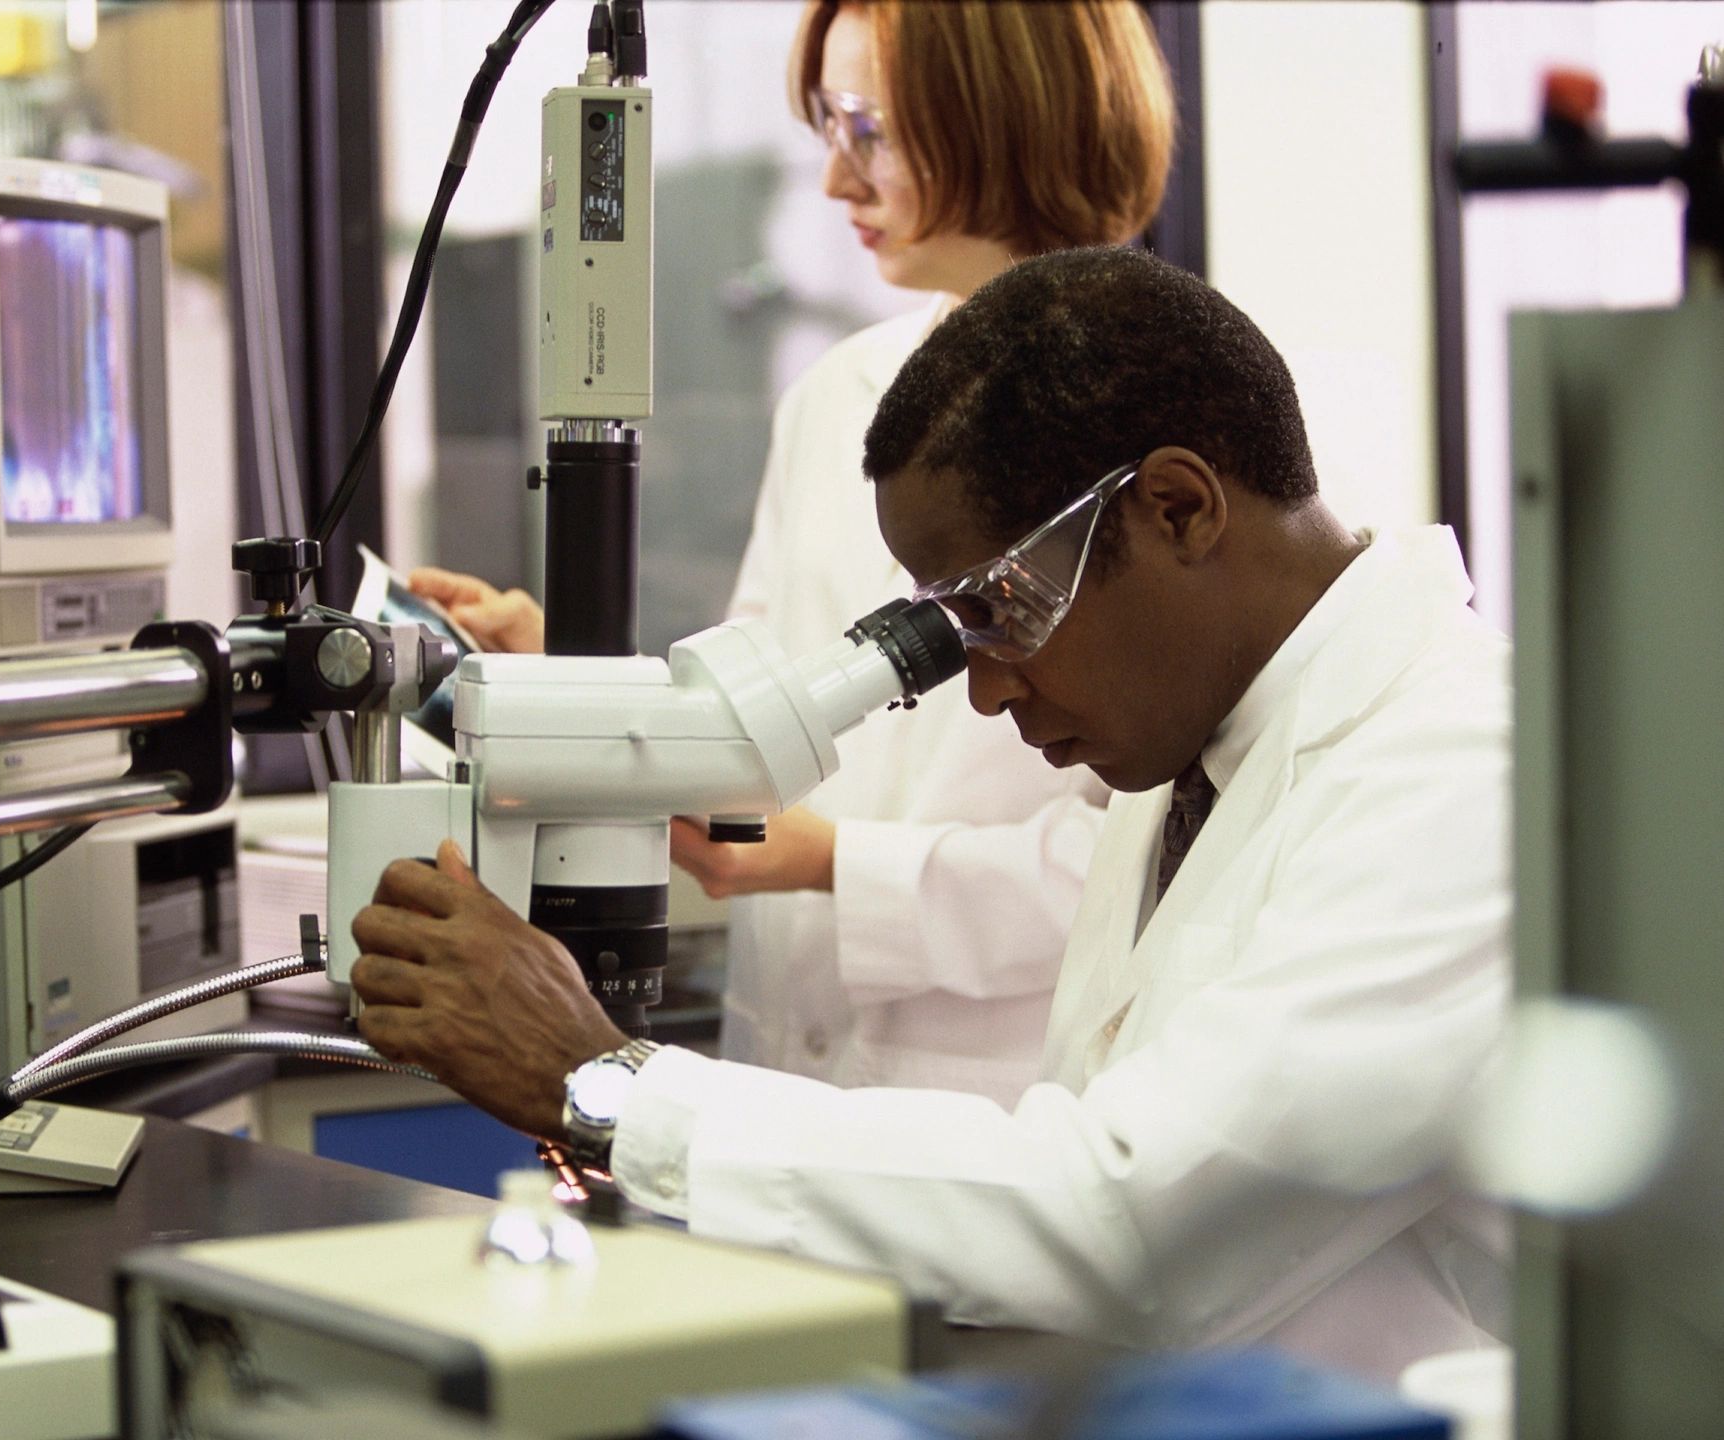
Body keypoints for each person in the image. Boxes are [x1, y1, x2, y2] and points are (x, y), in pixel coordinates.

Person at [350, 247, 1512, 1380]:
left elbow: (1133, 1227)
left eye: (999, 614)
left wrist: (608, 1084)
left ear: (1176, 507)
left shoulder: (1458, 774)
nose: (992, 689)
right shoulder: (1199, 757)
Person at [411, 0, 1175, 1106]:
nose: (834, 182)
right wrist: (577, 677)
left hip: (1008, 1100)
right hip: (785, 1065)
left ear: (1006, 114)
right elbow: (764, 713)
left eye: (865, 130)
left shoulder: (1179, 417)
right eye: (825, 129)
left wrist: (833, 865)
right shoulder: (839, 397)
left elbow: (1159, 862)